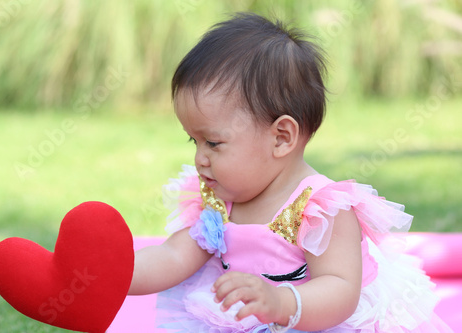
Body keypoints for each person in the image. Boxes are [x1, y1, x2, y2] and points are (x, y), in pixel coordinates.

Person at [128, 12, 453, 332]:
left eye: (213, 142)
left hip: (313, 322)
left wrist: (283, 302)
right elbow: (173, 256)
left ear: (282, 138)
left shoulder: (320, 209)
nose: (199, 158)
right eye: (193, 140)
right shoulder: (218, 199)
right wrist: (117, 274)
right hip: (244, 320)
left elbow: (340, 289)